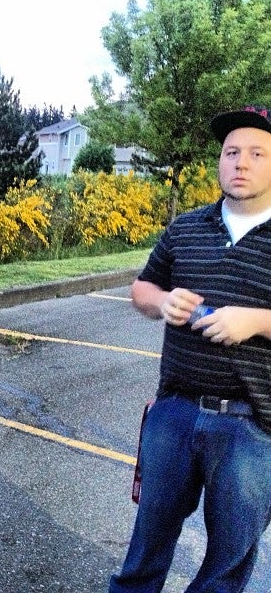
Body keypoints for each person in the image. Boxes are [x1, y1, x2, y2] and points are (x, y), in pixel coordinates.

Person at [109, 105, 271, 592]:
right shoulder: (186, 228)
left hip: (253, 428)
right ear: (220, 161)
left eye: (257, 153)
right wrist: (162, 302)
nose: (241, 163)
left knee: (228, 561)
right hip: (174, 414)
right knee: (147, 545)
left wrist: (257, 321)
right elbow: (142, 288)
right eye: (231, 152)